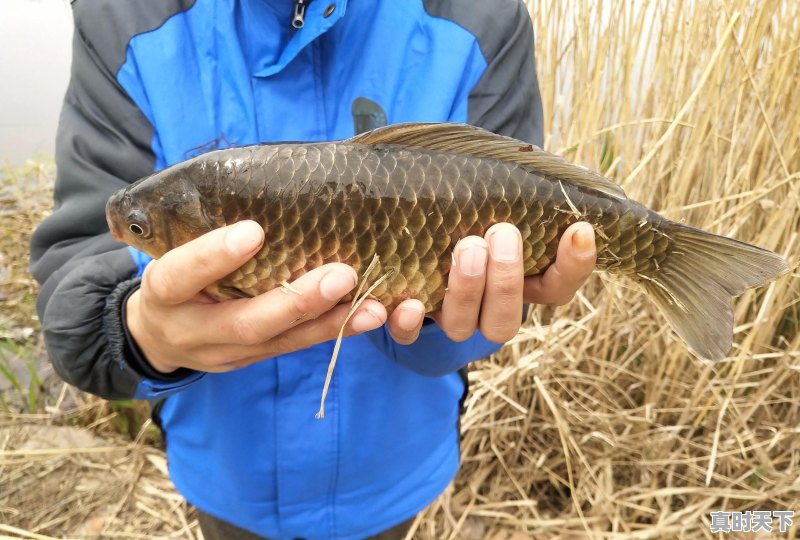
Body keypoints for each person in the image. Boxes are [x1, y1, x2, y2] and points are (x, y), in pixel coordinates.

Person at [30, 1, 596, 538]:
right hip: (228, 475)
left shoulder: (482, 16)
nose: (129, 232)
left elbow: (502, 279)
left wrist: (442, 317)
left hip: (393, 466)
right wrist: (141, 332)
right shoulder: (123, 17)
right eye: (140, 226)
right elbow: (77, 290)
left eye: (139, 227)